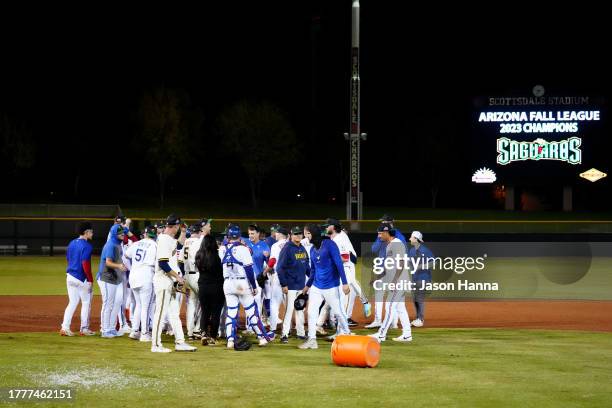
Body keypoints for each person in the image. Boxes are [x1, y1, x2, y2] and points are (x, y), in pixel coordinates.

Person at [299, 225, 350, 350]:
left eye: (308, 234)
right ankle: (312, 340)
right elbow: (313, 271)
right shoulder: (312, 250)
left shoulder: (329, 245)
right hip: (316, 286)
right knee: (311, 312)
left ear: (315, 234)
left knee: (338, 312)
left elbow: (339, 263)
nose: (306, 237)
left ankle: (348, 335)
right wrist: (307, 286)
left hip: (331, 286)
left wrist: (345, 282)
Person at [150, 214, 197, 353]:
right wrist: (178, 277)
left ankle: (180, 342)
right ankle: (156, 345)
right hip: (163, 281)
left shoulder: (167, 238)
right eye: (178, 227)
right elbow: (163, 264)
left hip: (169, 281)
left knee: (173, 313)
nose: (178, 229)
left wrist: (183, 233)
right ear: (174, 226)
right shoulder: (164, 240)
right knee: (160, 313)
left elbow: (179, 245)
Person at [220, 225, 271, 349]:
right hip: (242, 283)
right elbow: (249, 270)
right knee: (251, 312)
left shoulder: (222, 249)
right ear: (239, 236)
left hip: (228, 283)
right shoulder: (243, 249)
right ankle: (261, 338)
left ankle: (230, 341)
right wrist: (254, 286)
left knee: (231, 312)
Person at [368, 224, 413, 343]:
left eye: (380, 233)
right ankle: (407, 335)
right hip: (398, 282)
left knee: (389, 306)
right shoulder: (390, 245)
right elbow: (390, 267)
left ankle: (381, 334)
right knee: (400, 308)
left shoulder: (396, 244)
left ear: (387, 233)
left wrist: (394, 281)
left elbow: (402, 262)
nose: (379, 236)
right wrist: (378, 278)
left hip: (399, 282)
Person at [323, 218, 371, 326]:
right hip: (344, 264)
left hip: (347, 265)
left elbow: (345, 257)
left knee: (346, 291)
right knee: (348, 287)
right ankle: (336, 320)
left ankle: (342, 321)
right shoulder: (336, 236)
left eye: (327, 225)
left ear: (333, 227)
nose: (325, 227)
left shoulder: (340, 238)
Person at [367, 214, 406, 329]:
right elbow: (374, 249)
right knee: (378, 294)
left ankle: (393, 322)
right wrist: (381, 239)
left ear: (390, 222)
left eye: (384, 221)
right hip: (381, 268)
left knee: (394, 296)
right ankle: (378, 320)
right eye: (382, 221)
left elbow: (402, 255)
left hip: (393, 269)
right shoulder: (381, 235)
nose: (382, 223)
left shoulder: (399, 237)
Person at [60, 222, 95, 336]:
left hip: (70, 276)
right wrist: (90, 280)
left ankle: (65, 327)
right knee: (86, 302)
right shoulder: (87, 246)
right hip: (81, 278)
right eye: (91, 231)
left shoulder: (72, 243)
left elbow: (68, 258)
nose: (92, 233)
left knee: (73, 302)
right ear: (86, 232)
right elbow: (85, 264)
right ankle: (84, 329)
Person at [277, 226, 310, 343]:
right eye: (296, 234)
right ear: (291, 235)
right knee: (289, 309)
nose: (298, 236)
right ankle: (284, 334)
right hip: (290, 285)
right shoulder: (287, 249)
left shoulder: (302, 248)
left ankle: (301, 333)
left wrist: (312, 277)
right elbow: (279, 268)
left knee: (300, 309)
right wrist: (284, 284)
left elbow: (306, 266)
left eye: (300, 234)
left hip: (301, 285)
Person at [124, 225, 157, 342]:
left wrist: (130, 267)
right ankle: (144, 333)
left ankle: (134, 331)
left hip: (134, 275)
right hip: (146, 275)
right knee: (146, 307)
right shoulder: (154, 245)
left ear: (145, 234)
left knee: (138, 305)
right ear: (154, 234)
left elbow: (126, 255)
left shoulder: (136, 243)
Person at [98, 224, 127, 338]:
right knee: (108, 304)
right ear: (115, 234)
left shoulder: (118, 244)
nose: (123, 234)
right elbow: (108, 262)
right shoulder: (110, 245)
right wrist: (119, 266)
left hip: (114, 278)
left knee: (117, 302)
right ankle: (105, 330)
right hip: (106, 277)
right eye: (120, 233)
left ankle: (111, 328)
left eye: (123, 232)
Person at [195, 234, 225, 346]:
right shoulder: (216, 256)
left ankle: (203, 333)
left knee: (205, 311)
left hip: (202, 285)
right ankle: (212, 337)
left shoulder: (199, 255)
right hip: (216, 286)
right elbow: (220, 272)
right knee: (216, 313)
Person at [245, 224, 270, 333]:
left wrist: (267, 257)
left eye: (253, 233)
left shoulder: (264, 246)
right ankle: (249, 327)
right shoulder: (245, 243)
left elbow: (270, 263)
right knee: (247, 302)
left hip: (258, 278)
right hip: (245, 278)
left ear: (258, 234)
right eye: (249, 233)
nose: (250, 235)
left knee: (257, 302)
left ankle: (257, 325)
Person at [263, 226, 288, 333]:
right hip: (290, 277)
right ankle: (288, 329)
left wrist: (266, 271)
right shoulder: (291, 244)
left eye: (277, 233)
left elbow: (272, 261)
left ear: (280, 234)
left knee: (274, 303)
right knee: (289, 304)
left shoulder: (275, 245)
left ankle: (273, 328)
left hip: (278, 276)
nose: (275, 234)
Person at [408, 231, 434, 327]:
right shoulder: (411, 251)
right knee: (415, 299)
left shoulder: (425, 250)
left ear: (416, 239)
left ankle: (420, 319)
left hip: (424, 278)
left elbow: (433, 262)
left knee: (419, 298)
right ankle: (418, 317)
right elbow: (410, 263)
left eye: (411, 237)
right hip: (415, 278)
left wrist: (422, 266)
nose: (410, 239)